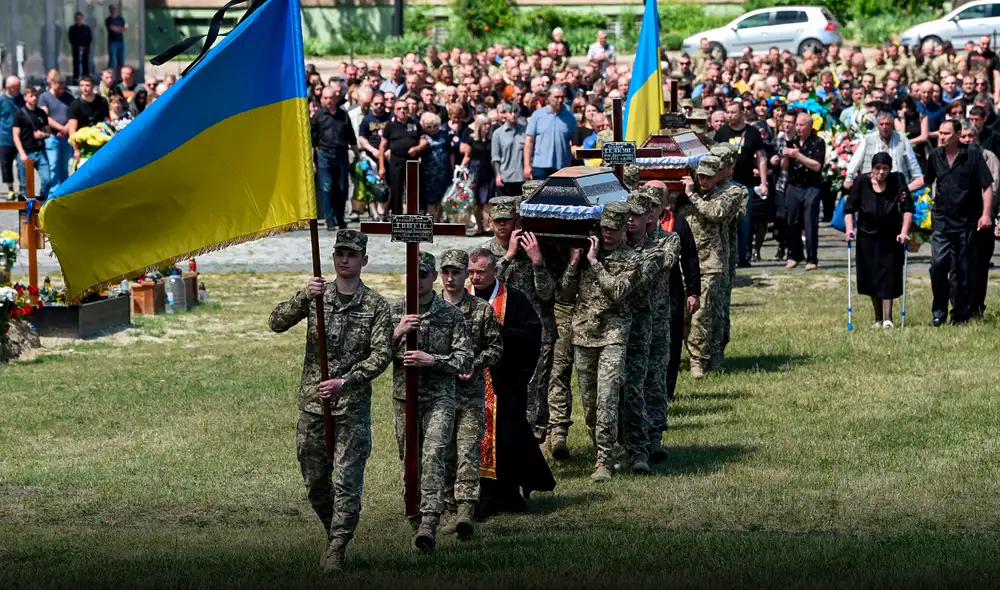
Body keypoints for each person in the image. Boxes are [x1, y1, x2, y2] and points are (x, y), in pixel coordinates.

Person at [267, 229, 393, 573]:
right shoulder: (316, 297)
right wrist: (303, 297)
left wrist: (346, 382)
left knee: (347, 481)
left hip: (350, 408)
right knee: (315, 481)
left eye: (352, 254)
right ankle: (333, 529)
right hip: (313, 404)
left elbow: (382, 354)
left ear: (364, 260)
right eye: (339, 253)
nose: (344, 259)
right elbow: (275, 323)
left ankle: (337, 547)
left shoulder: (376, 305)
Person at [390, 251, 473, 552]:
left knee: (434, 455)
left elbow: (464, 360)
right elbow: (372, 355)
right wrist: (396, 332)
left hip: (439, 398)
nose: (418, 281)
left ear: (433, 276)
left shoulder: (450, 315)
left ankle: (429, 521)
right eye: (413, 274)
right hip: (405, 398)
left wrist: (432, 360)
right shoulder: (395, 310)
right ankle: (415, 516)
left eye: (423, 274)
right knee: (409, 459)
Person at [465, 247, 555, 517]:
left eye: (480, 272)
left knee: (507, 438)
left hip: (504, 383)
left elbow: (531, 334)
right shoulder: (460, 298)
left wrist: (497, 332)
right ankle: (478, 495)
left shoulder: (513, 299)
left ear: (494, 270)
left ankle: (506, 492)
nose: (475, 277)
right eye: (471, 272)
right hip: (467, 382)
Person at [558, 202, 640, 481]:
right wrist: (575, 261)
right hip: (583, 334)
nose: (607, 234)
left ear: (623, 228)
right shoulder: (585, 252)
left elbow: (618, 292)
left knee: (607, 398)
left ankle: (604, 460)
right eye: (604, 227)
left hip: (613, 335)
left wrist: (595, 263)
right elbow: (566, 295)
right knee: (591, 405)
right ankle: (604, 449)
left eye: (613, 229)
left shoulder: (631, 258)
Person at [438, 249, 503, 539]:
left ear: (467, 274)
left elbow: (496, 348)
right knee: (443, 451)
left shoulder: (481, 310)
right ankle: (449, 508)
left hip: (469, 394)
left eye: (457, 273)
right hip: (437, 395)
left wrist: (474, 365)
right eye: (446, 272)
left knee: (467, 450)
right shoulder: (430, 307)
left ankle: (465, 511)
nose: (451, 278)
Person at [480, 197, 556, 443]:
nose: (503, 226)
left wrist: (537, 262)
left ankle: (531, 441)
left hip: (530, 332)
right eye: (498, 221)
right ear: (490, 222)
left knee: (533, 387)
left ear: (517, 221)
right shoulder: (485, 252)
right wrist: (509, 256)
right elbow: (480, 288)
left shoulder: (534, 247)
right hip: (495, 332)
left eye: (508, 221)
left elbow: (546, 294)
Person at [618, 189, 679, 474]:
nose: (631, 220)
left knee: (654, 382)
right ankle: (630, 442)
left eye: (638, 214)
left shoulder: (668, 240)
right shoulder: (619, 245)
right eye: (626, 215)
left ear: (651, 214)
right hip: (628, 325)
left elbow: (664, 263)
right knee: (628, 385)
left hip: (657, 323)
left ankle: (655, 437)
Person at [923, 119, 994, 326]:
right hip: (942, 220)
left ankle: (960, 315)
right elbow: (927, 180)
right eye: (940, 133)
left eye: (946, 133)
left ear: (957, 134)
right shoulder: (935, 155)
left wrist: (986, 214)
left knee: (963, 270)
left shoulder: (972, 154)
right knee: (938, 265)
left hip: (966, 222)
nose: (941, 137)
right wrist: (903, 189)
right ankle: (939, 311)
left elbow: (987, 186)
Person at [844, 153, 915, 328]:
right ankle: (878, 318)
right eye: (878, 168)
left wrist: (904, 232)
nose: (881, 172)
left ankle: (888, 318)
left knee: (888, 276)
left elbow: (908, 209)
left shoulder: (897, 180)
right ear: (872, 168)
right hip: (867, 237)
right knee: (871, 278)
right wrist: (849, 230)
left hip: (891, 237)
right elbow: (849, 209)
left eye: (885, 168)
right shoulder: (862, 182)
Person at [712, 101, 767, 267]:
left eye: (733, 112)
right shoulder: (721, 133)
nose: (730, 115)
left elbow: (762, 158)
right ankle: (726, 257)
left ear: (742, 113)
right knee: (725, 221)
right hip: (724, 185)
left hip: (745, 185)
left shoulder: (752, 133)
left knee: (744, 221)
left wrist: (764, 182)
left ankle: (743, 256)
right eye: (728, 112)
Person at [958, 120, 1000, 317]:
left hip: (983, 220)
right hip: (958, 220)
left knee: (980, 265)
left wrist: (990, 214)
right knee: (957, 266)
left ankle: (976, 307)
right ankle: (959, 307)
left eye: (971, 136)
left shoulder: (989, 157)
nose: (967, 139)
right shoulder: (951, 157)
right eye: (964, 136)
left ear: (977, 137)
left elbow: (996, 186)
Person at [782, 111, 827, 271]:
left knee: (810, 223)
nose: (799, 128)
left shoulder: (818, 142)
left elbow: (817, 166)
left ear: (810, 126)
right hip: (793, 186)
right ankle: (794, 255)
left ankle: (812, 258)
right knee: (791, 222)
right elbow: (785, 166)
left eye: (802, 125)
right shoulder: (792, 141)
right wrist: (784, 157)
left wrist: (798, 155)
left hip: (811, 186)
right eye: (797, 125)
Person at [312, 84, 358, 230]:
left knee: (342, 188)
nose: (329, 101)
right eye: (325, 98)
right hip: (324, 154)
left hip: (341, 154)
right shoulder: (318, 116)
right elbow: (313, 141)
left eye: (331, 98)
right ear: (322, 99)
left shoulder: (343, 115)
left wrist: (357, 154)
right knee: (327, 188)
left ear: (336, 98)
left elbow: (351, 137)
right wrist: (312, 161)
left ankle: (340, 218)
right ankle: (329, 219)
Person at [846, 112, 925, 192]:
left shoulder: (902, 138)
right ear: (877, 125)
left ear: (892, 125)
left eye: (887, 124)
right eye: (881, 124)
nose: (884, 127)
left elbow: (912, 161)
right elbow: (856, 159)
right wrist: (849, 177)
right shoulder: (868, 139)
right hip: (872, 184)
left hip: (897, 184)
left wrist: (917, 179)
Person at [379, 100, 422, 216]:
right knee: (396, 189)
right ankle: (396, 215)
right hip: (396, 160)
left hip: (412, 161)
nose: (402, 111)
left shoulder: (415, 123)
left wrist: (417, 148)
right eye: (399, 108)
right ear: (394, 111)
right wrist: (381, 166)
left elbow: (423, 141)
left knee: (412, 190)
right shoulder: (390, 125)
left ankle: (412, 215)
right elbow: (382, 146)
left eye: (405, 108)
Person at [524, 85, 575, 181]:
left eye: (562, 97)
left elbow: (574, 141)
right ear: (549, 97)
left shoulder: (569, 117)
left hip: (562, 167)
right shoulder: (538, 115)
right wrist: (527, 165)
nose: (560, 100)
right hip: (540, 166)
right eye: (556, 97)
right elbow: (529, 141)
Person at [11, 86, 51, 200]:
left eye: (35, 96)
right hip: (26, 153)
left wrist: (42, 135)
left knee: (47, 180)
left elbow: (48, 132)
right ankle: (26, 213)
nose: (34, 98)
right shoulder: (20, 114)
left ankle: (41, 205)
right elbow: (15, 135)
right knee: (26, 186)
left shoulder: (41, 113)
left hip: (40, 152)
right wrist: (22, 153)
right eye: (31, 96)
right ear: (25, 98)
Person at [38, 72, 74, 194]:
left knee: (64, 167)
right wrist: (61, 128)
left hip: (66, 137)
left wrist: (66, 129)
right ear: (52, 85)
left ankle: (65, 193)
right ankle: (53, 193)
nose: (61, 91)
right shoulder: (44, 97)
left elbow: (73, 115)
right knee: (53, 166)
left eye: (62, 88)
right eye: (58, 88)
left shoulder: (69, 97)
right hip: (52, 137)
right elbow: (45, 116)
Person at [459, 114, 495, 228]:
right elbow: (467, 157)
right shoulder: (472, 139)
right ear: (479, 126)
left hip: (488, 171)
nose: (487, 126)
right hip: (474, 171)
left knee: (486, 200)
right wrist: (462, 170)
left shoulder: (491, 140)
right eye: (485, 124)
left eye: (489, 124)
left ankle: (486, 226)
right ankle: (478, 226)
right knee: (475, 200)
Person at [415, 111, 451, 221]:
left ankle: (438, 220)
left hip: (444, 170)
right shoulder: (422, 137)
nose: (432, 128)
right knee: (430, 199)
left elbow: (450, 152)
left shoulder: (445, 135)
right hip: (428, 173)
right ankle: (430, 222)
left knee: (442, 197)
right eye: (429, 126)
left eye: (435, 126)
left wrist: (452, 167)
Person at [67, 76, 110, 162]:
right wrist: (76, 150)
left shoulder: (102, 101)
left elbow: (107, 121)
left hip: (100, 142)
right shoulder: (75, 105)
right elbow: (72, 129)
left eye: (87, 85)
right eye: (82, 85)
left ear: (93, 86)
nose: (84, 88)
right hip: (84, 145)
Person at [491, 101, 526, 199]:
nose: (513, 115)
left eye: (515, 112)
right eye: (510, 112)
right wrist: (498, 175)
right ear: (505, 114)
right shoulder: (498, 133)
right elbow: (495, 157)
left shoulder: (525, 131)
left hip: (522, 177)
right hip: (506, 177)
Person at [1, 76, 24, 200]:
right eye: (16, 87)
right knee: (6, 165)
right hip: (5, 138)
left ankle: (22, 188)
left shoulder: (23, 99)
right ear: (8, 87)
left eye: (19, 86)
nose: (18, 89)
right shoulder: (1, 100)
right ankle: (10, 189)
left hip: (22, 138)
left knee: (22, 164)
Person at [68, 12, 93, 81]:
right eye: (77, 19)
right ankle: (75, 77)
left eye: (80, 19)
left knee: (85, 63)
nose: (79, 20)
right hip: (76, 48)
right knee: (76, 63)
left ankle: (86, 77)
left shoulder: (86, 28)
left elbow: (89, 38)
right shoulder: (72, 29)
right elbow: (71, 38)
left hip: (85, 48)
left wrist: (84, 46)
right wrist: (77, 46)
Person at [105, 4, 128, 76]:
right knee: (112, 60)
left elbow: (126, 27)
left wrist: (118, 28)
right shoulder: (108, 20)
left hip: (120, 41)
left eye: (114, 8)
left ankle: (120, 77)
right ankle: (109, 76)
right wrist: (120, 28)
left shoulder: (120, 18)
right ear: (110, 10)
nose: (113, 10)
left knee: (121, 61)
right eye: (112, 9)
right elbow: (112, 29)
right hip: (112, 42)